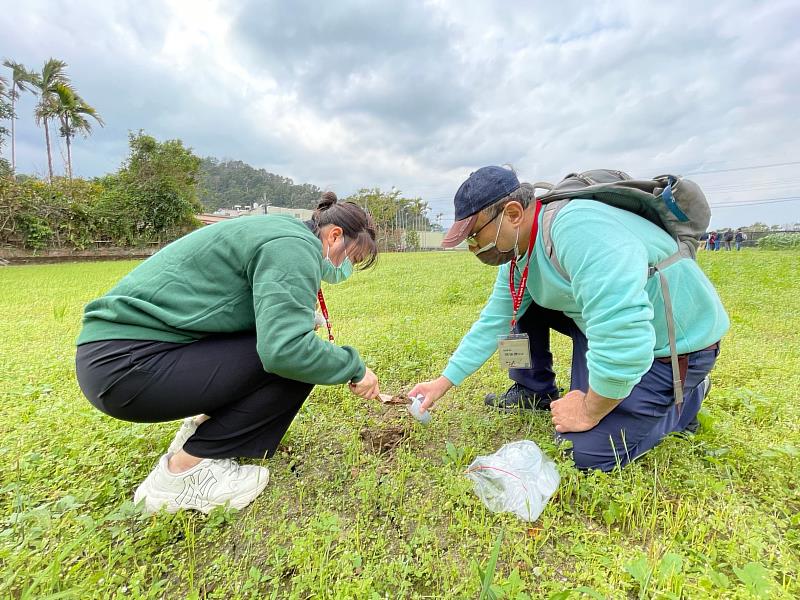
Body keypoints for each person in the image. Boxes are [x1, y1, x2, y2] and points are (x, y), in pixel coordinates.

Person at [75, 192, 381, 513]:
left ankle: (199, 431)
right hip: (128, 367)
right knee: (296, 359)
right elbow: (286, 350)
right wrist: (354, 369)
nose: (345, 267)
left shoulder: (280, 230)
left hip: (113, 357)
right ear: (334, 236)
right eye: (352, 257)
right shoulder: (294, 245)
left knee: (293, 343)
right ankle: (182, 475)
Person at [409, 166, 729, 471]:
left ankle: (688, 398)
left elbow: (624, 336)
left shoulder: (577, 229)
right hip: (606, 326)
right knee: (520, 303)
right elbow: (494, 321)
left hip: (674, 345)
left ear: (513, 214)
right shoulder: (520, 256)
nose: (474, 248)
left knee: (579, 451)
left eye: (475, 235)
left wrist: (590, 408)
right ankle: (533, 389)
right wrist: (442, 382)